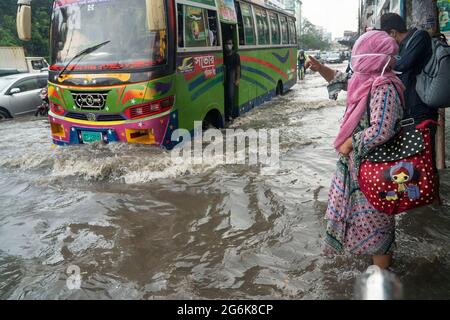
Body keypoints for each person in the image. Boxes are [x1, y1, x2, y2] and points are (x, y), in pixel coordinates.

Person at [322, 31, 406, 269]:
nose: (355, 59)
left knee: (377, 225)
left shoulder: (384, 85)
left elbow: (382, 129)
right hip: (359, 168)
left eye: (359, 53)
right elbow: (343, 80)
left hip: (376, 170)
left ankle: (382, 280)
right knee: (361, 220)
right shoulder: (367, 81)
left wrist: (349, 143)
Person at [223, 38, 241, 122]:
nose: (228, 45)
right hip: (224, 75)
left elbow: (238, 67)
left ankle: (229, 114)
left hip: (231, 75)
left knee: (230, 95)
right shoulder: (224, 55)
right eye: (227, 43)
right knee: (225, 96)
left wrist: (237, 79)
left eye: (229, 43)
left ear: (232, 45)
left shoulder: (235, 55)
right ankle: (226, 113)